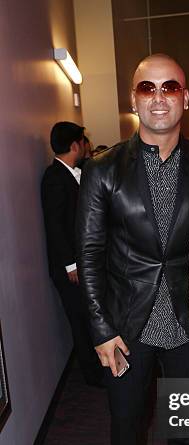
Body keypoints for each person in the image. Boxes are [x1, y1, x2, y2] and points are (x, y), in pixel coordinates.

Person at [76, 54, 189, 445]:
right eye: (147, 88)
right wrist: (99, 328)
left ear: (184, 96)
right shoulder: (102, 169)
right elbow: (89, 254)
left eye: (170, 86)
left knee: (187, 425)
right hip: (126, 326)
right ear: (133, 98)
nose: (159, 96)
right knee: (126, 426)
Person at [41, 122, 103, 387]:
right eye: (84, 140)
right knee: (79, 320)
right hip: (69, 268)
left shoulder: (75, 173)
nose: (86, 145)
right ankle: (93, 375)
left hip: (79, 263)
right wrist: (70, 265)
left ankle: (98, 367)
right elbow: (55, 225)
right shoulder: (54, 177)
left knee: (88, 316)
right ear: (76, 144)